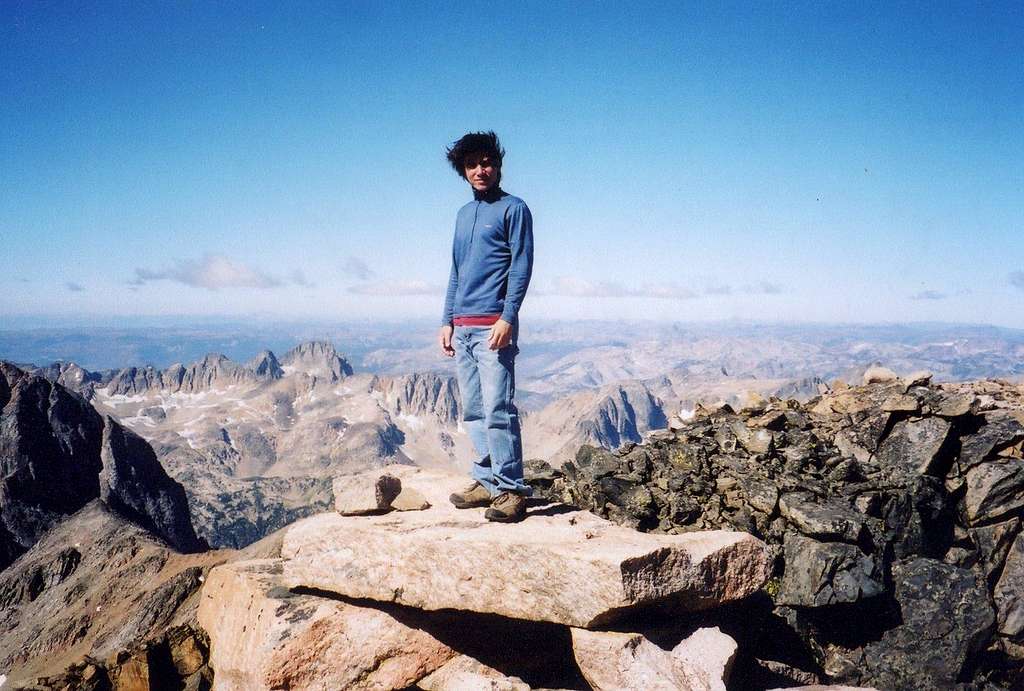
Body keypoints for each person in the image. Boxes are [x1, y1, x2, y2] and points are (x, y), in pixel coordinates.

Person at [438, 131, 534, 523]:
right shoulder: (463, 214)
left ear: (498, 165)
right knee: (474, 410)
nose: (480, 170)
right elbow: (456, 270)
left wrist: (508, 316)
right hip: (462, 327)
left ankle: (510, 490)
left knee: (498, 408)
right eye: (471, 165)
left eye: (486, 162)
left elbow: (522, 265)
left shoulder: (514, 209)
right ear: (463, 171)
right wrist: (446, 319)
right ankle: (487, 481)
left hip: (493, 326)